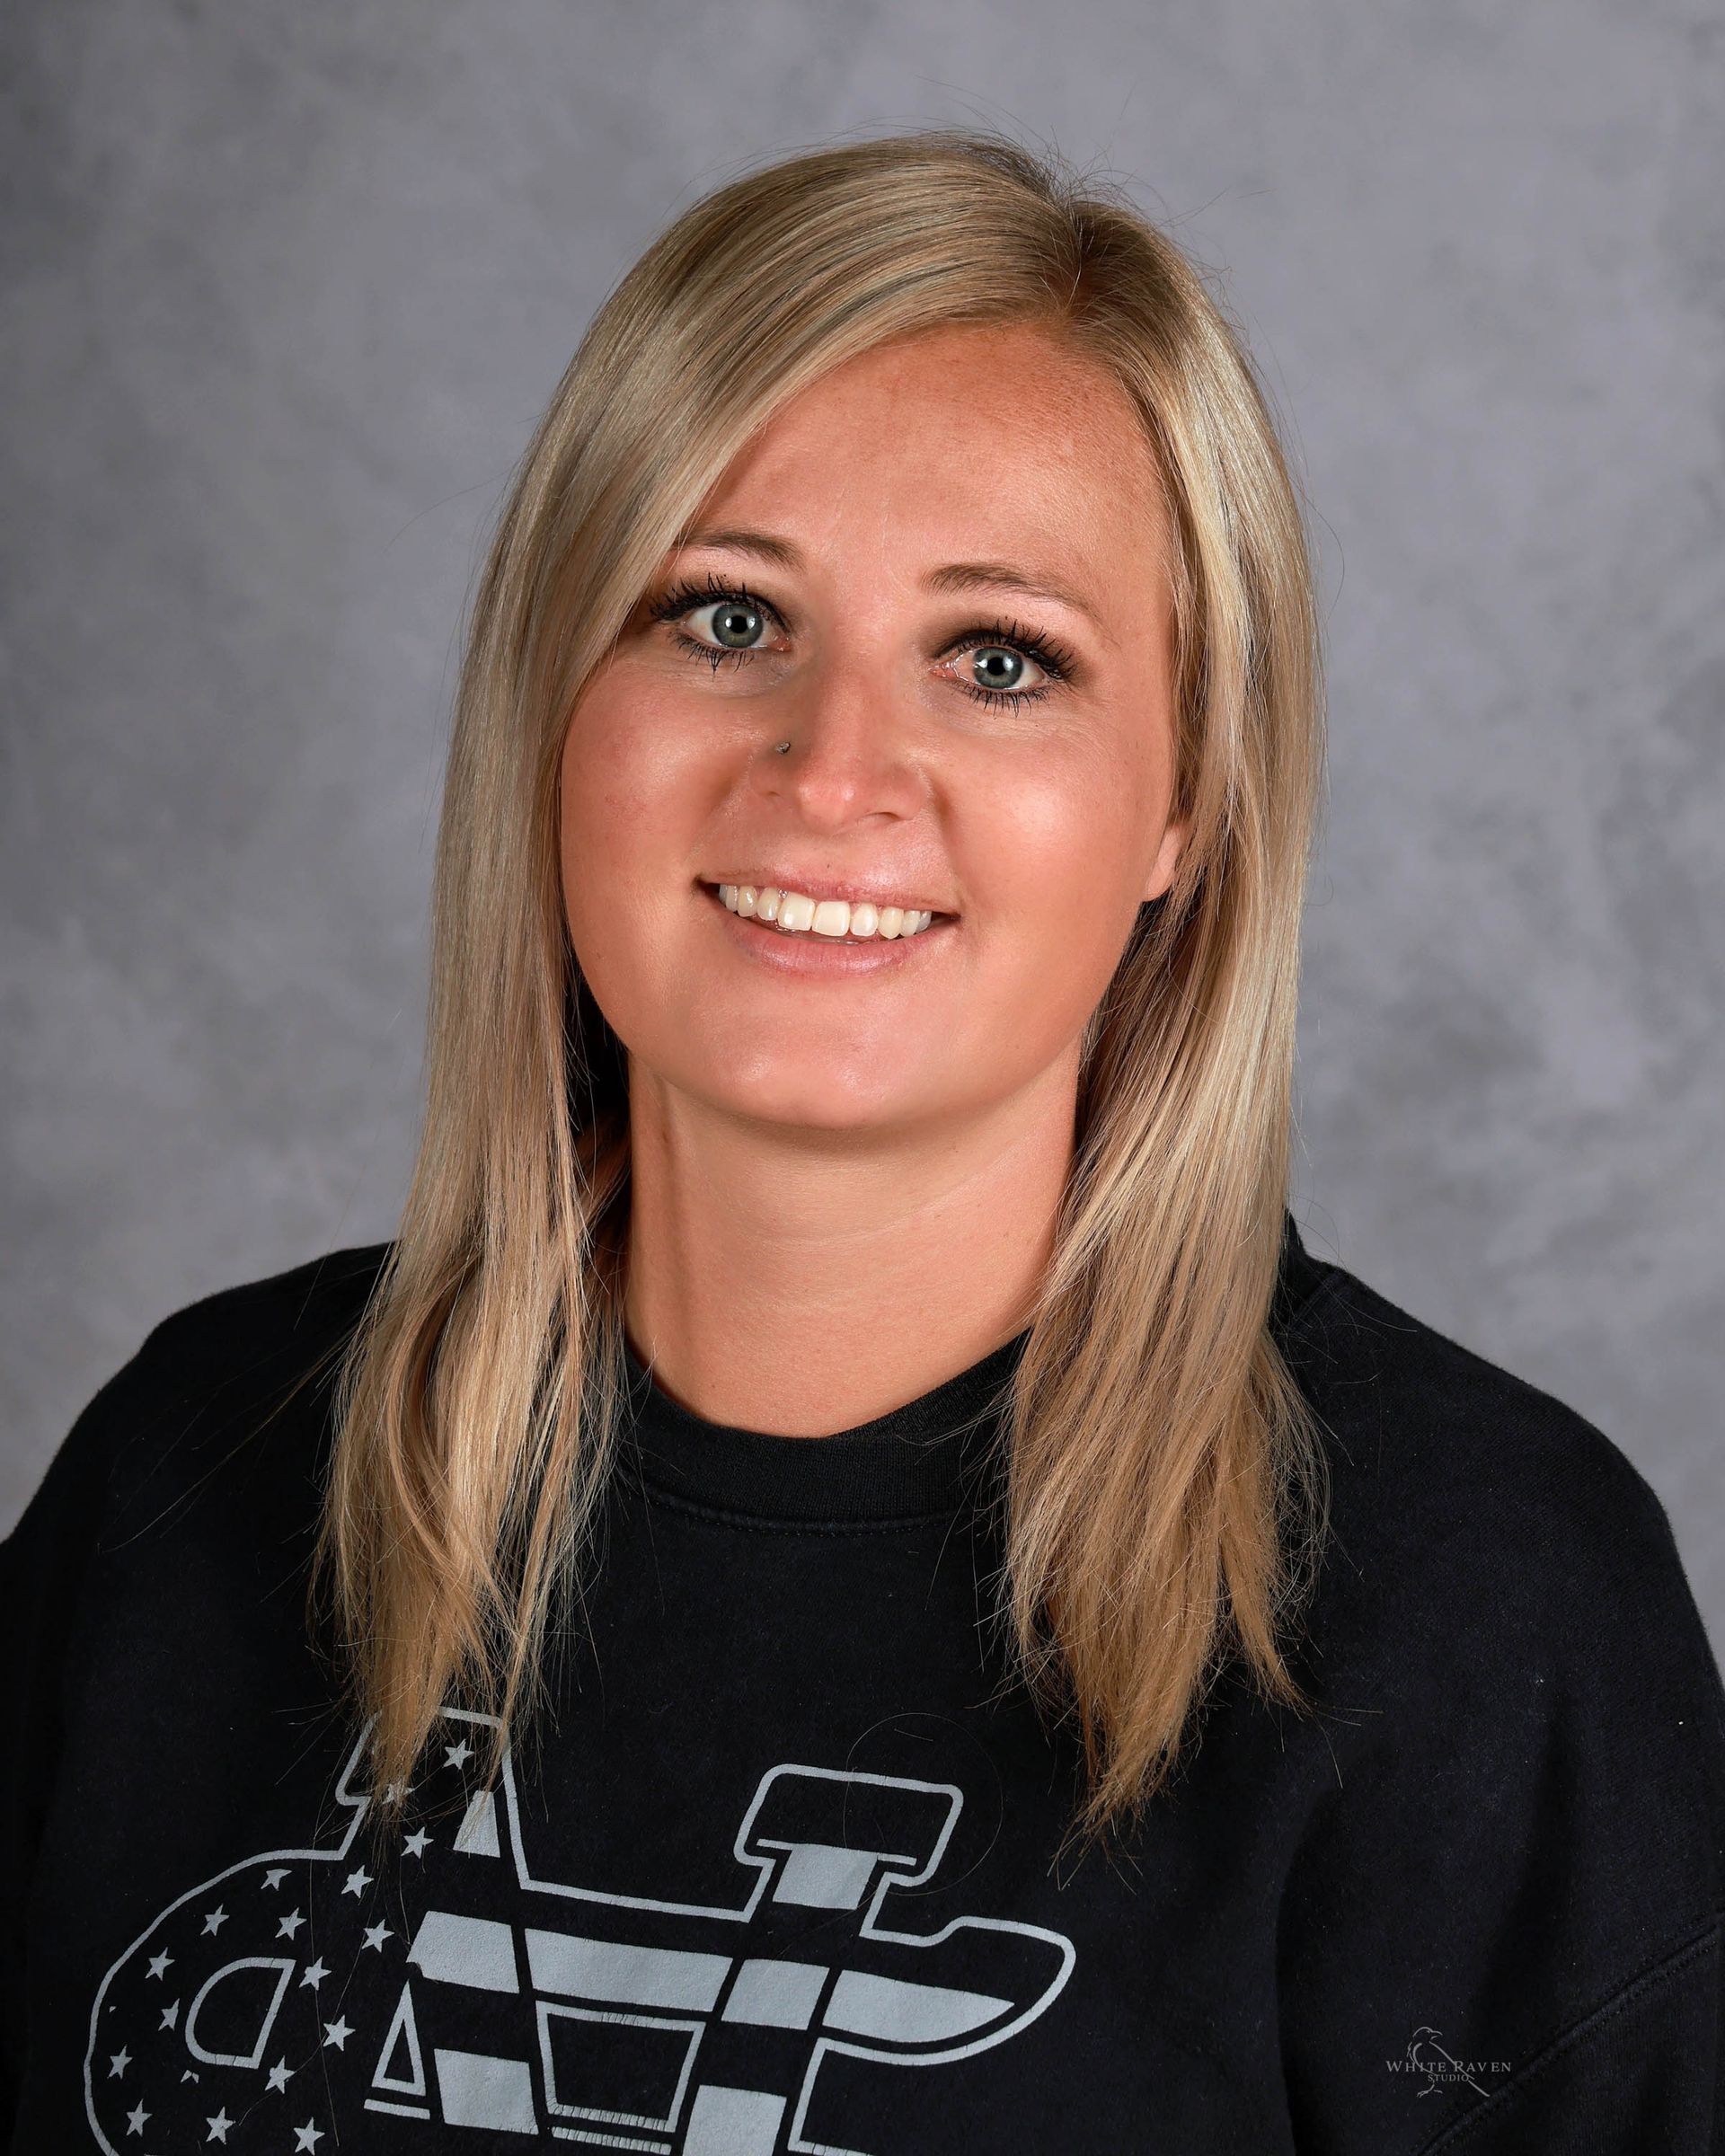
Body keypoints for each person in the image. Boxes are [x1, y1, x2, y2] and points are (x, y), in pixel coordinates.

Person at [4, 127, 1721, 2156]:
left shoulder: (1474, 1603)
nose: (833, 775)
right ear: (558, 702)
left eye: (1001, 661)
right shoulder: (194, 1471)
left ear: (1188, 804)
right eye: (724, 617)